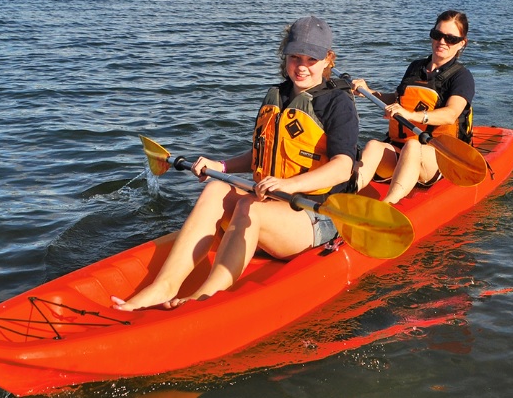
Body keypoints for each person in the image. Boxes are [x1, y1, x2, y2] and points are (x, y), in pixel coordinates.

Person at [112, 16, 359, 311]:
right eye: (295, 57)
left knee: (248, 205)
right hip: (272, 203)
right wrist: (222, 166)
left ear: (327, 59)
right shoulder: (278, 96)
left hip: (314, 216)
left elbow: (343, 166)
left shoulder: (338, 104)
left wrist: (288, 185)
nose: (302, 66)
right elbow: (262, 155)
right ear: (285, 55)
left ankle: (205, 298)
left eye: (311, 58)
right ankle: (163, 286)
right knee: (216, 190)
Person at [352, 10, 474, 204]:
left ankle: (388, 205)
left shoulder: (462, 77)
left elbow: (451, 114)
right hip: (400, 150)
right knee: (374, 146)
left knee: (413, 146)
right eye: (437, 35)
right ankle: (347, 192)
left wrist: (410, 115)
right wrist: (369, 92)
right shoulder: (416, 67)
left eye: (450, 38)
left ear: (462, 43)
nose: (442, 42)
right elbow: (398, 99)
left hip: (438, 156)